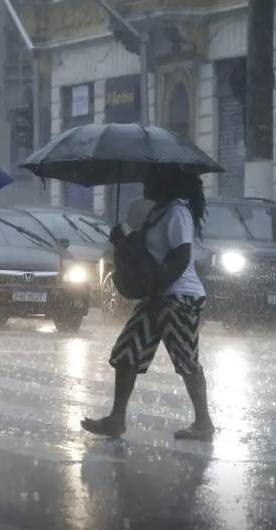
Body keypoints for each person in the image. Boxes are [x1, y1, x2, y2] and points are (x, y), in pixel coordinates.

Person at [81, 169, 213, 441]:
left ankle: (204, 423)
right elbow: (148, 254)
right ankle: (116, 420)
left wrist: (158, 291)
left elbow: (180, 256)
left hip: (179, 297)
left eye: (150, 179)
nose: (144, 183)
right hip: (157, 295)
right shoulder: (158, 212)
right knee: (128, 351)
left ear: (165, 181)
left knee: (185, 358)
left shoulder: (177, 212)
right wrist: (122, 242)